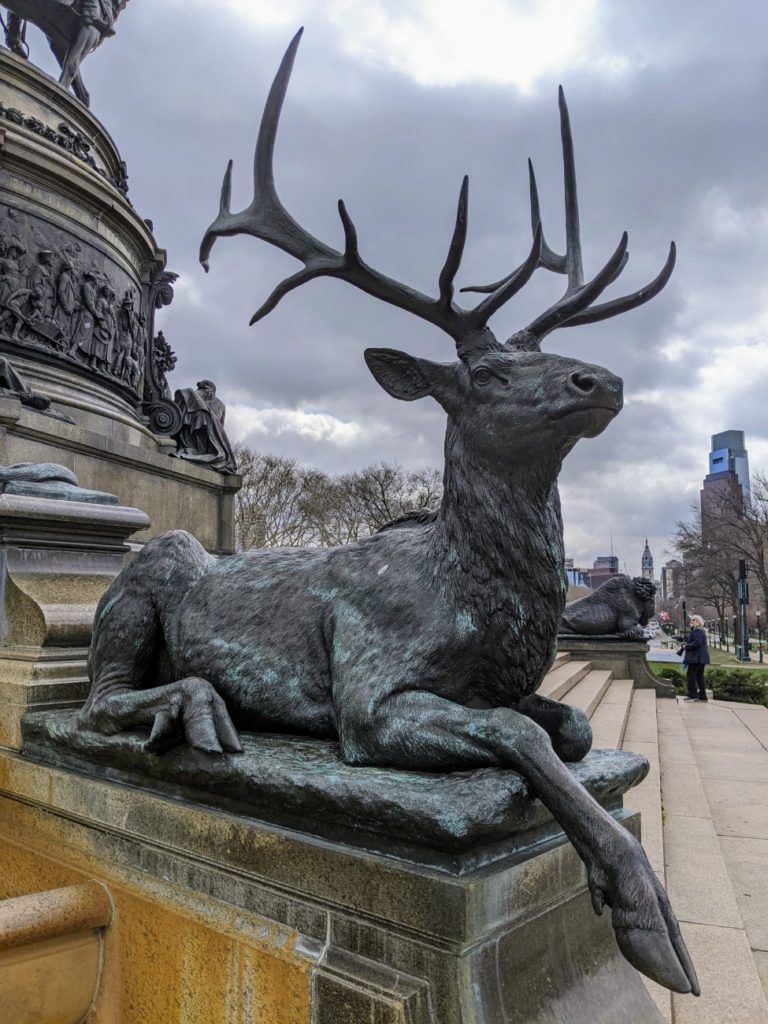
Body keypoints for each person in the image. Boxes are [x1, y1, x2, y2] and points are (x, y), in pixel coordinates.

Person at [678, 615, 709, 702]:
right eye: (691, 620)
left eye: (694, 620)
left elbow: (697, 643)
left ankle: (693, 695)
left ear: (698, 622)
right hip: (700, 658)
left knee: (691, 675)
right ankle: (702, 697)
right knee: (699, 677)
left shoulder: (698, 631)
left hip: (697, 658)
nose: (691, 621)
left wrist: (686, 647)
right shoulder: (698, 631)